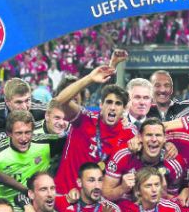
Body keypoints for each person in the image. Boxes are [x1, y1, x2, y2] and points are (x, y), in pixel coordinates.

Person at [52, 52, 136, 194]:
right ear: (101, 105)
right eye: (108, 102)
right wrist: (90, 78)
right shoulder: (85, 118)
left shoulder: (130, 133)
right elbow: (59, 102)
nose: (112, 107)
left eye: (118, 104)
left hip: (94, 204)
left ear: (124, 109)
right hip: (63, 195)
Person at [0, 111, 60, 212]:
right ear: (9, 133)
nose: (24, 138)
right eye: (19, 133)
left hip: (30, 210)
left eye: (28, 133)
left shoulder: (45, 143)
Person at [103, 118, 185, 201]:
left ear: (165, 139)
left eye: (158, 135)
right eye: (149, 135)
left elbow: (173, 201)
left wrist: (163, 195)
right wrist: (122, 188)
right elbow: (106, 194)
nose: (153, 139)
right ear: (139, 137)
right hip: (123, 207)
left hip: (155, 210)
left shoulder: (175, 163)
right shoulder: (123, 155)